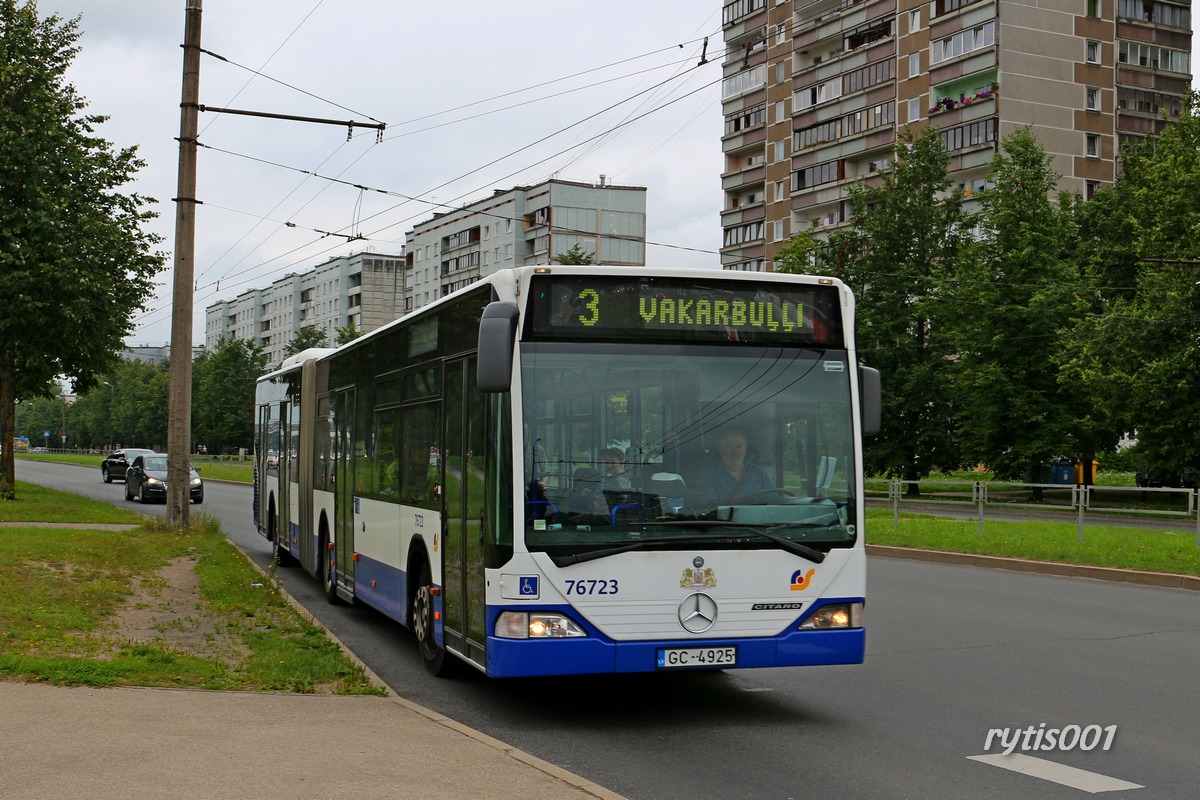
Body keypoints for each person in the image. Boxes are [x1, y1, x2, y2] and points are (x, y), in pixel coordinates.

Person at [696, 428, 774, 504]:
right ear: (721, 450)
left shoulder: (760, 474)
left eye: (739, 446)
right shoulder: (708, 475)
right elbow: (710, 507)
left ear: (745, 449)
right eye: (729, 446)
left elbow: (775, 502)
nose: (735, 451)